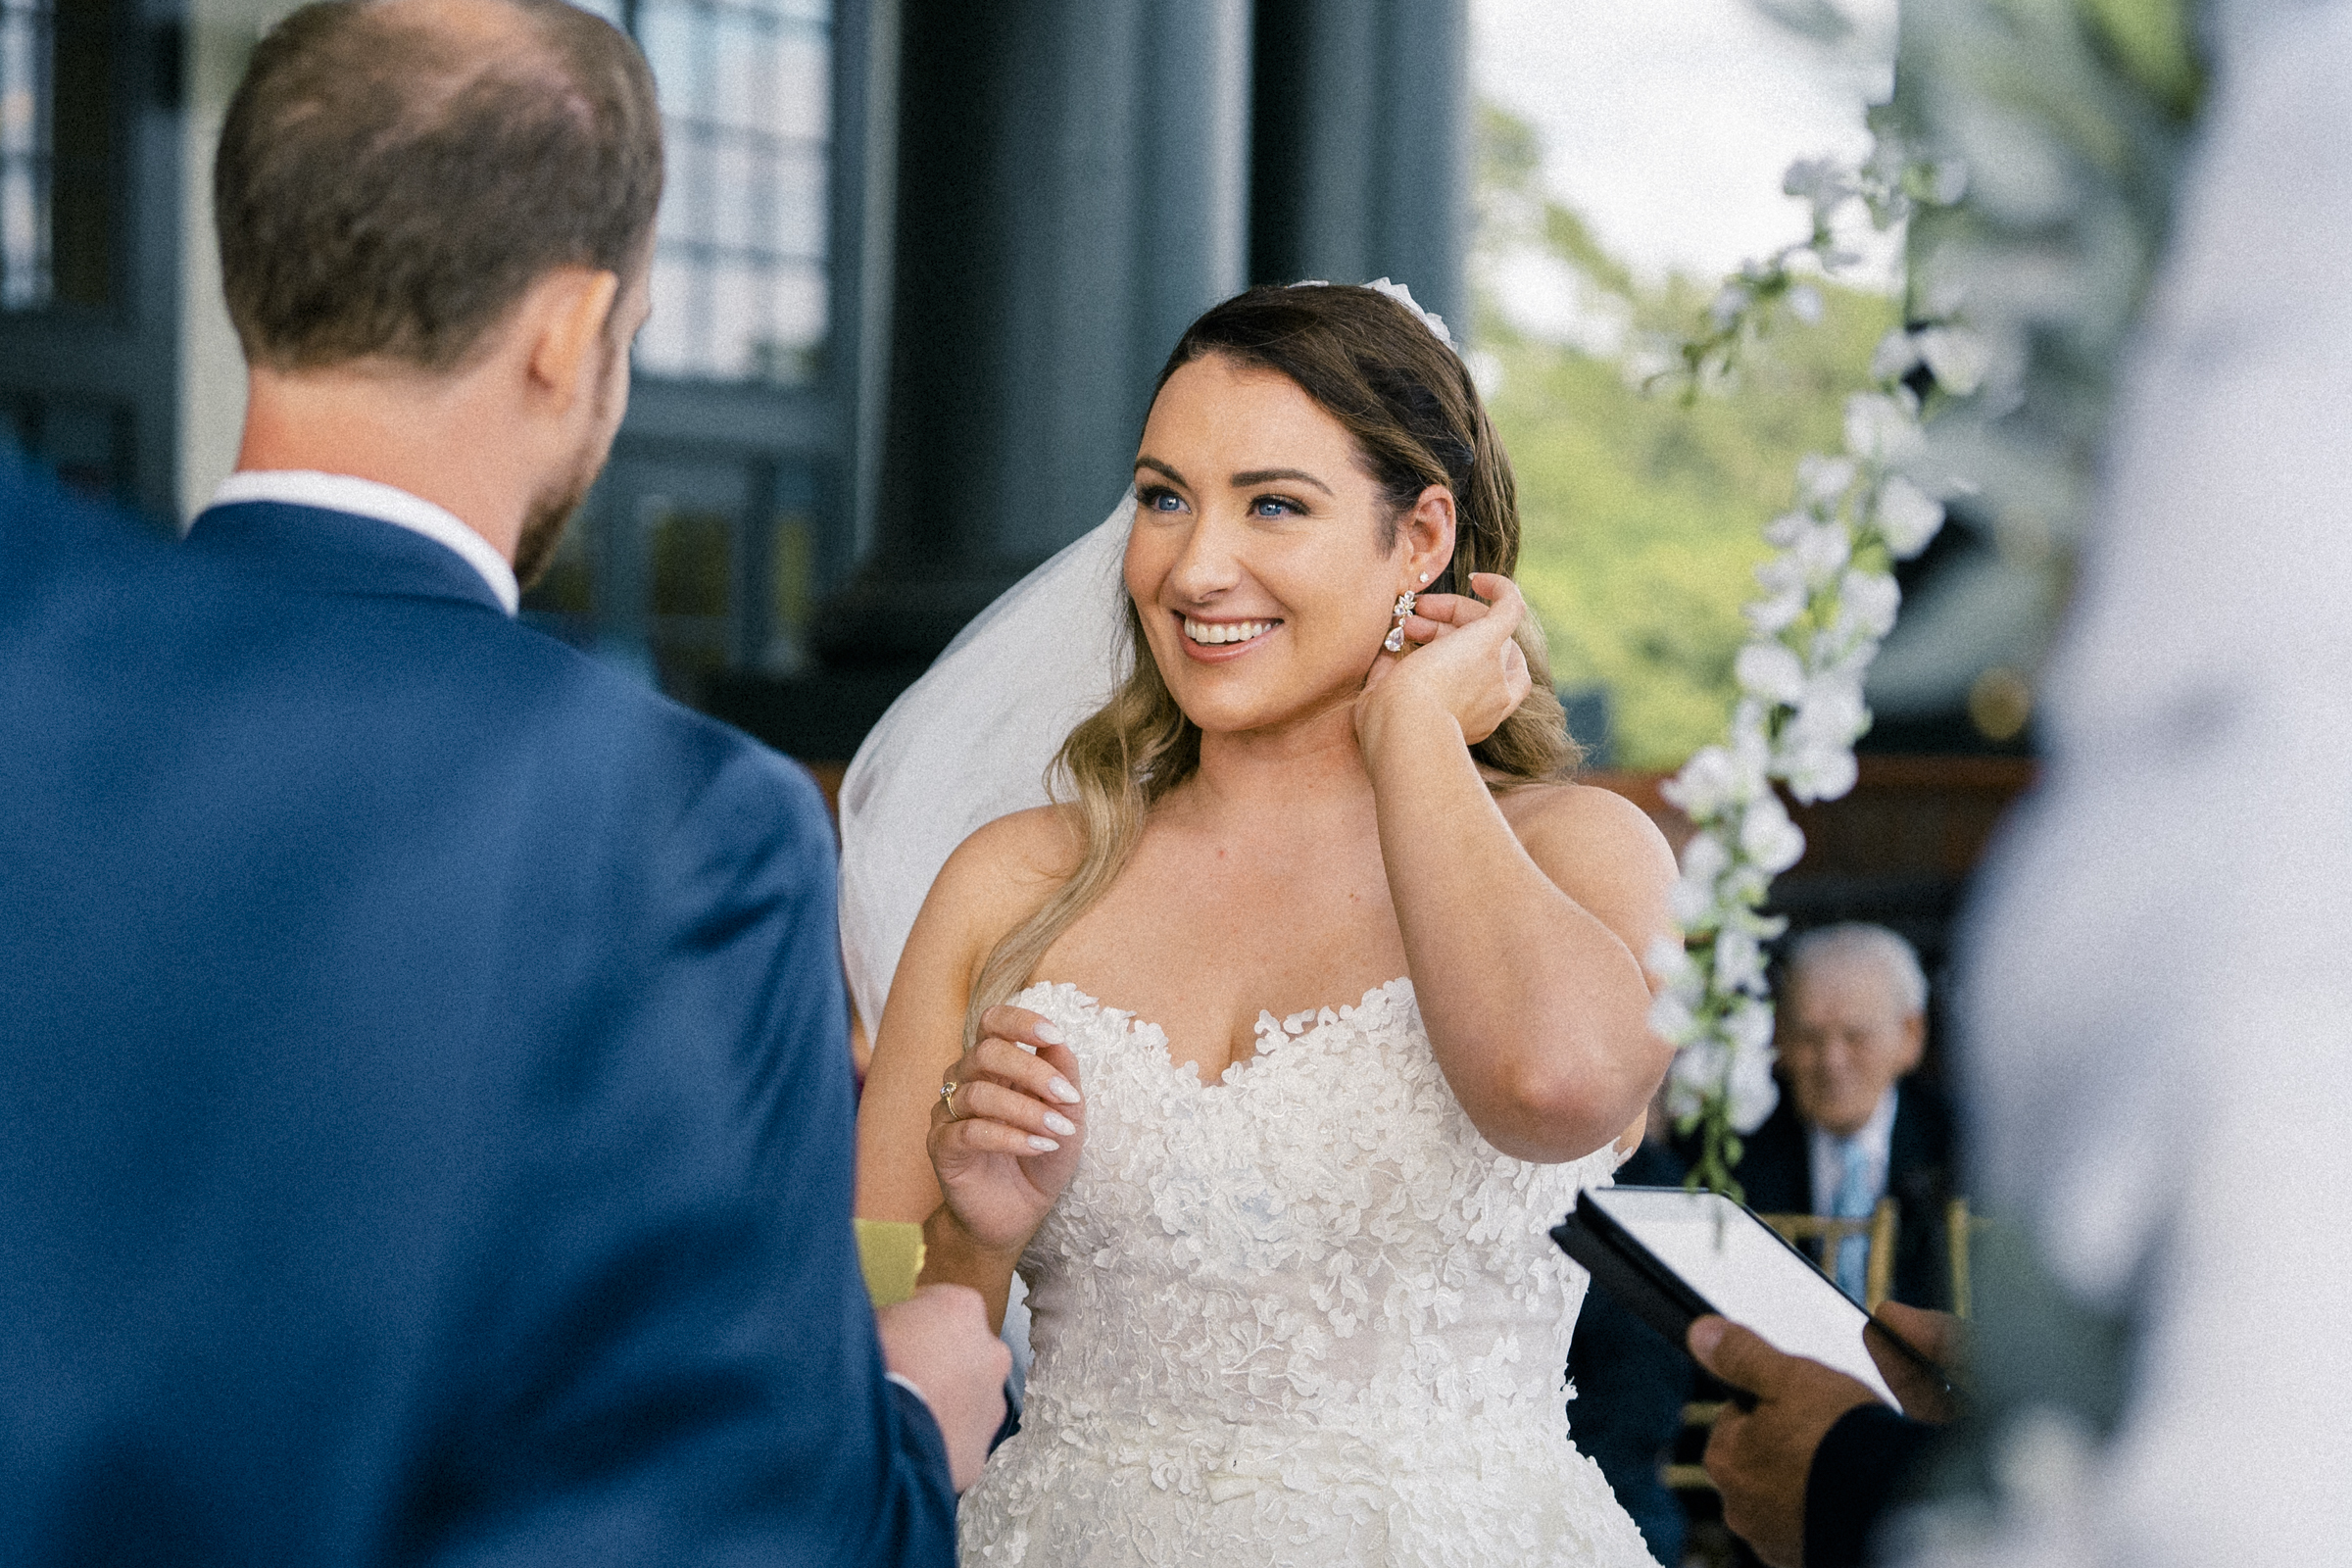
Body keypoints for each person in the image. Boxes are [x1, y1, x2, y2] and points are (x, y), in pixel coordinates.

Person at [0, 3, 1004, 1561]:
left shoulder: (36, 674)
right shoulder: (669, 825)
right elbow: (737, 1516)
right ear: (570, 327)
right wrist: (912, 1430)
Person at [853, 280, 1678, 1565]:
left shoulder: (1580, 855)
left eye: (1273, 504)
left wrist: (1412, 733)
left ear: (1422, 537)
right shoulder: (1012, 882)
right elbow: (876, 1337)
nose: (1192, 566)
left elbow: (1557, 1085)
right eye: (1163, 496)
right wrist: (973, 1238)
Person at [1732, 924, 1954, 1309]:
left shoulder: (1959, 1146)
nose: (1832, 1062)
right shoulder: (1731, 1148)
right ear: (1779, 1036)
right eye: (1809, 1037)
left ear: (1911, 1035)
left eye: (1855, 1036)